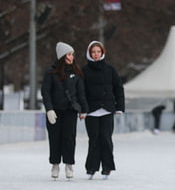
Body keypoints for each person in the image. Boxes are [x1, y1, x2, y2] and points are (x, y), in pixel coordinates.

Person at [41, 42, 88, 179]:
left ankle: (69, 164)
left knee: (69, 137)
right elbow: (46, 92)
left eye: (72, 54)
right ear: (62, 56)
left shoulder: (76, 73)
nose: (72, 57)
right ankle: (55, 164)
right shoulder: (50, 73)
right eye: (68, 54)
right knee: (55, 137)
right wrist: (49, 109)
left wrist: (83, 109)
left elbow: (81, 93)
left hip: (70, 110)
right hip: (55, 111)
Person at [82, 41, 125, 180]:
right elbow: (81, 91)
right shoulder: (84, 70)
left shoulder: (110, 69)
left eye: (98, 52)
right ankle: (91, 167)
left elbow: (118, 88)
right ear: (89, 53)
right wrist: (82, 109)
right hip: (91, 111)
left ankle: (107, 167)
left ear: (102, 53)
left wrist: (120, 107)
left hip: (107, 110)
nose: (96, 54)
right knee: (94, 139)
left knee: (106, 139)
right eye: (93, 52)